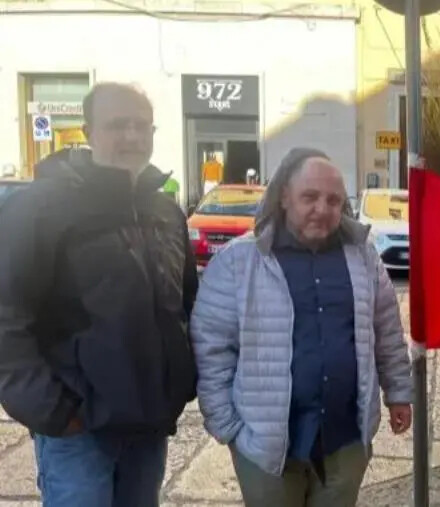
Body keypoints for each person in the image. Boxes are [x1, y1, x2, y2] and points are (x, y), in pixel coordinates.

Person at [0, 82, 198, 506]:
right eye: (117, 125)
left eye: (141, 126)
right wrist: (52, 411)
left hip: (148, 428)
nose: (131, 136)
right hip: (79, 432)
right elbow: (7, 318)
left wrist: (179, 387)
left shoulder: (164, 211)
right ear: (88, 132)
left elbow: (185, 306)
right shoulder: (41, 208)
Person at [191, 147, 413, 507]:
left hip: (345, 442)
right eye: (309, 197)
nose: (322, 209)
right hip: (265, 450)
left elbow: (386, 330)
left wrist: (399, 392)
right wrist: (228, 426)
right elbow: (211, 347)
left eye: (333, 200)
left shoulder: (364, 258)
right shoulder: (238, 261)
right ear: (283, 197)